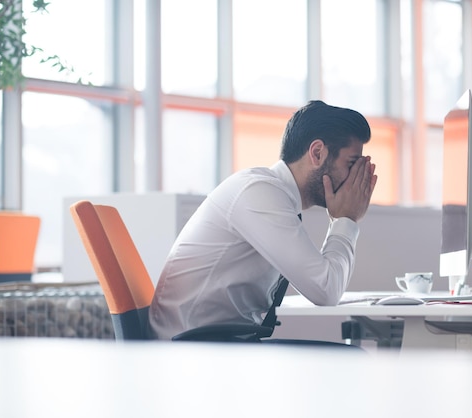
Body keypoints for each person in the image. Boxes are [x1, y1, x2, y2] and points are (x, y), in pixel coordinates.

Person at [149, 100, 377, 341]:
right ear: (317, 153)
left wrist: (343, 220)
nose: (357, 178)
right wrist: (345, 220)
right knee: (349, 360)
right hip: (193, 349)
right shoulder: (259, 192)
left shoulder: (274, 195)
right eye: (352, 164)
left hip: (216, 342)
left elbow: (324, 287)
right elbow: (326, 290)